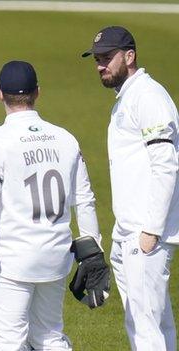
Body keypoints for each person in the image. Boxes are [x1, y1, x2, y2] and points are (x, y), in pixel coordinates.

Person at [0, 61, 107, 350]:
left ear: (0, 94)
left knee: (7, 340)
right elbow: (85, 198)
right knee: (50, 336)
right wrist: (93, 253)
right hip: (55, 258)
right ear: (37, 93)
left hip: (13, 261)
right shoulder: (66, 139)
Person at [83, 26, 179, 350]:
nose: (100, 66)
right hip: (130, 230)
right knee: (152, 321)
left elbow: (166, 166)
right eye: (97, 59)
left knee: (145, 324)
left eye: (107, 58)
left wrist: (150, 230)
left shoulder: (148, 96)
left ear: (129, 56)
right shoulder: (128, 97)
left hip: (146, 230)